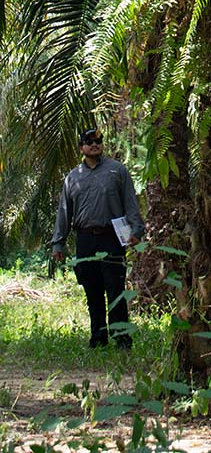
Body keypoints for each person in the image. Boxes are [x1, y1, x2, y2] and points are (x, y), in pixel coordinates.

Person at [51, 126, 145, 348]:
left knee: (116, 289)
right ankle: (98, 339)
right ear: (81, 146)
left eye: (98, 140)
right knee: (92, 290)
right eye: (89, 141)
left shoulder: (117, 171)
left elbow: (130, 202)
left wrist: (136, 230)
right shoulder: (73, 178)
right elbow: (64, 212)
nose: (94, 144)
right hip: (85, 239)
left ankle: (122, 338)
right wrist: (58, 244)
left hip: (112, 237)